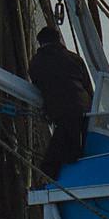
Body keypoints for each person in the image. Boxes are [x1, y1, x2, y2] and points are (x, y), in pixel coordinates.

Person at [29, 24, 94, 175]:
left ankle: (57, 184)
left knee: (50, 164)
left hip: (63, 113)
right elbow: (89, 88)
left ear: (41, 43)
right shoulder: (75, 59)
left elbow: (39, 86)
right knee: (77, 148)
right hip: (86, 110)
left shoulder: (37, 62)